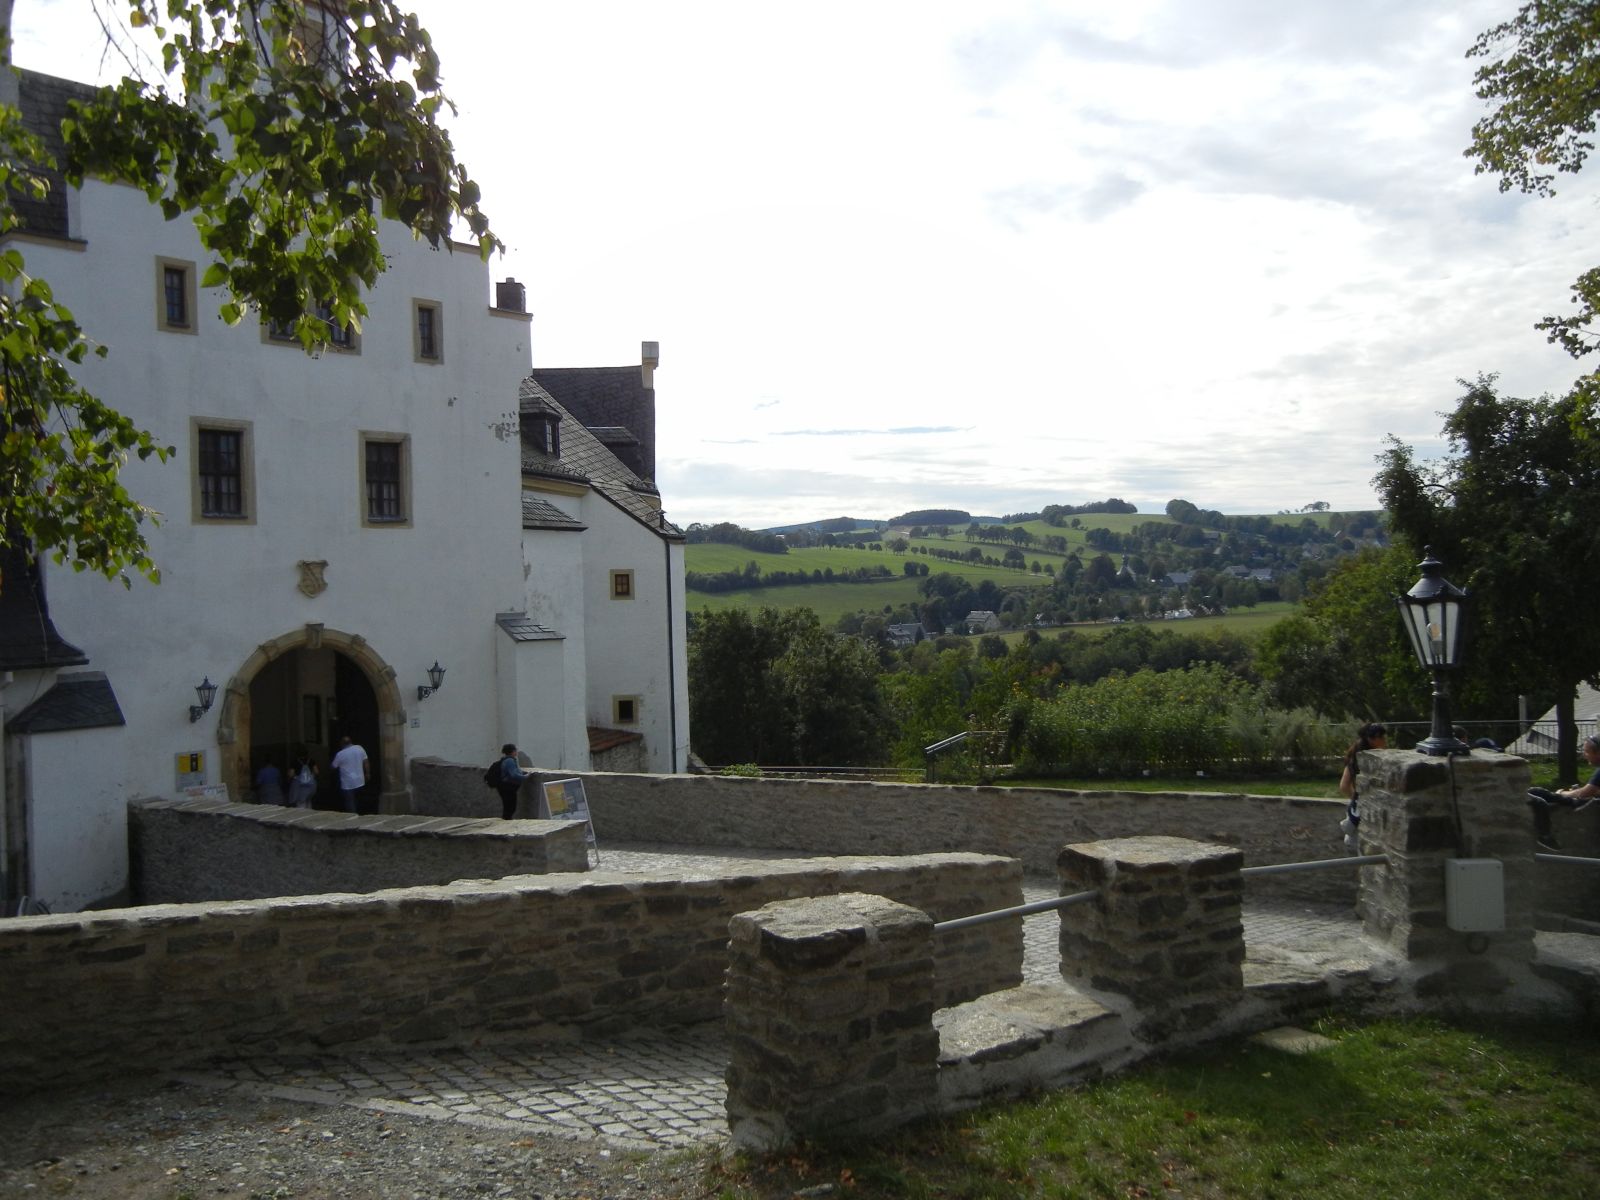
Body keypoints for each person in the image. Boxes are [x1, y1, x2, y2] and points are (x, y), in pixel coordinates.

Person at [1527, 734, 1600, 851]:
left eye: (1587, 752)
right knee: (1539, 793)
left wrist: (1562, 793)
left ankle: (1545, 835)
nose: (1584, 755)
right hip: (1587, 801)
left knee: (1540, 793)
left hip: (1581, 802)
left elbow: (1583, 793)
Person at [1338, 722, 1388, 854]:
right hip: (1364, 826)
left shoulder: (1354, 758)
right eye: (1381, 737)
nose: (1384, 740)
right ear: (1371, 739)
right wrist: (1362, 801)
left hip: (1354, 821)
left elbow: (1344, 786)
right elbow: (1344, 786)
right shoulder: (1374, 761)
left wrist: (1356, 800)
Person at [330, 735, 370, 814]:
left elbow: (333, 766)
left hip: (347, 783)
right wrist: (368, 773)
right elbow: (366, 762)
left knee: (350, 802)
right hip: (360, 780)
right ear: (351, 742)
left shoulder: (340, 754)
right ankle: (362, 814)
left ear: (342, 744)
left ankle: (353, 817)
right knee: (359, 799)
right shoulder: (359, 748)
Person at [496, 742, 529, 820]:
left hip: (506, 786)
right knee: (510, 806)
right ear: (512, 751)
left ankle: (506, 820)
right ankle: (507, 821)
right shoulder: (509, 761)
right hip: (508, 787)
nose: (516, 752)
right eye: (515, 750)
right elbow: (513, 775)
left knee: (508, 805)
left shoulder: (507, 760)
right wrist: (525, 777)